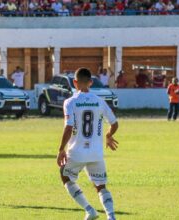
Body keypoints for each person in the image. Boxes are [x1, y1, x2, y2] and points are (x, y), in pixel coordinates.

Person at [56, 68, 119, 220]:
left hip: (76, 153)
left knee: (65, 176)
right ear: (91, 82)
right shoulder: (100, 101)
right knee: (101, 186)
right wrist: (108, 135)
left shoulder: (70, 102)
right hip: (96, 154)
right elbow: (114, 123)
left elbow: (69, 127)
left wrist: (61, 149)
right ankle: (111, 217)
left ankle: (90, 210)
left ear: (74, 82)